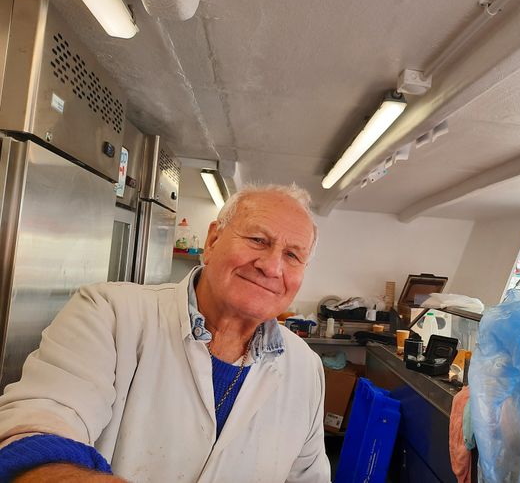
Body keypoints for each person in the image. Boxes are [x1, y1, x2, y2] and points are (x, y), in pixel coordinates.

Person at [0, 183, 331, 482]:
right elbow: (36, 428)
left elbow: (308, 477)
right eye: (258, 240)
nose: (272, 267)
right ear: (213, 240)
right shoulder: (109, 313)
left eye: (292, 255)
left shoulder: (305, 366)